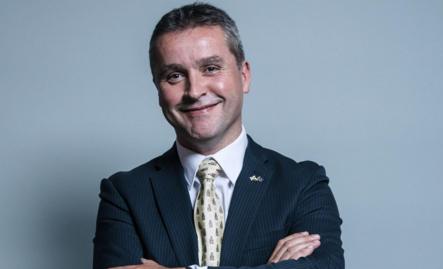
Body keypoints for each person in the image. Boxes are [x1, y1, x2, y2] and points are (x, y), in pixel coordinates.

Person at [93, 3, 344, 269]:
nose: (195, 90)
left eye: (211, 68)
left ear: (244, 76)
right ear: (158, 88)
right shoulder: (125, 194)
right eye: (175, 75)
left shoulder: (302, 184)